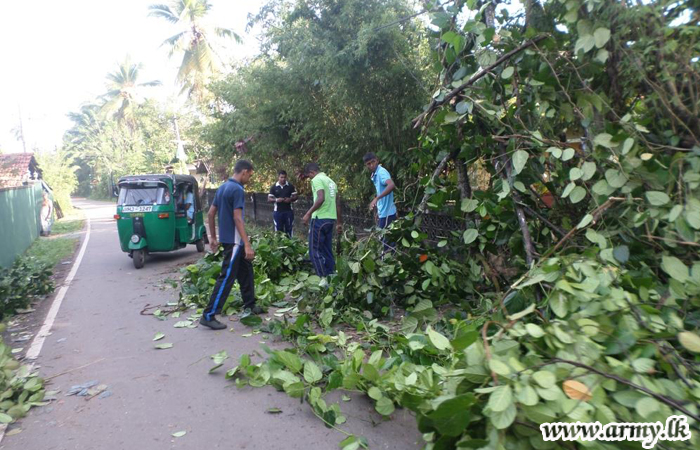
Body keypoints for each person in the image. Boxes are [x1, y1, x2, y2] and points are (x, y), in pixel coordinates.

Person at [200, 160, 263, 330]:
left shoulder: (222, 187)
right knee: (227, 277)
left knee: (246, 270)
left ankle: (250, 305)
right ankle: (208, 315)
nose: (249, 178)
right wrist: (247, 245)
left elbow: (211, 214)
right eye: (249, 175)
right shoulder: (237, 189)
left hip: (231, 239)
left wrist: (213, 237)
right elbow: (237, 218)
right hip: (235, 241)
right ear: (244, 171)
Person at [302, 163, 342, 277]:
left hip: (319, 219)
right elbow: (338, 204)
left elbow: (320, 198)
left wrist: (308, 214)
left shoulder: (317, 180)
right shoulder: (331, 182)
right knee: (327, 250)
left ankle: (323, 278)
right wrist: (339, 223)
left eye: (309, 176)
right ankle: (332, 276)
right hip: (330, 220)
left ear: (311, 172)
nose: (310, 178)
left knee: (314, 251)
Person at [363, 153, 397, 250]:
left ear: (377, 160)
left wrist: (376, 198)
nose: (371, 165)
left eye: (372, 162)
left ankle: (387, 263)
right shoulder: (375, 174)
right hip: (384, 213)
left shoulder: (382, 172)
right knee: (386, 242)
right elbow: (381, 191)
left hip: (388, 214)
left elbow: (391, 185)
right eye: (368, 164)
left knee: (386, 244)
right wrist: (378, 210)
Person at [267, 170, 298, 237]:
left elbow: (295, 196)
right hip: (278, 212)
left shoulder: (290, 186)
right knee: (278, 230)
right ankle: (279, 245)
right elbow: (269, 199)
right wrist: (276, 200)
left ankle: (289, 245)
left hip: (288, 211)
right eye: (281, 177)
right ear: (278, 177)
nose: (283, 179)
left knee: (289, 229)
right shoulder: (274, 187)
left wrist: (290, 199)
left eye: (284, 177)